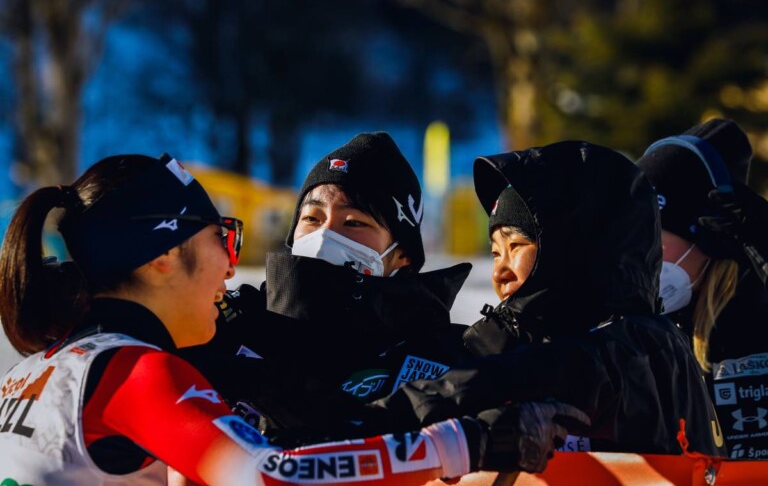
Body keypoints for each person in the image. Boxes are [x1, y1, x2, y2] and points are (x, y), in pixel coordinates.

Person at [0, 152, 587, 484]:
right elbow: (271, 475)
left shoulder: (37, 370)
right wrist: (466, 442)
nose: (232, 270)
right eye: (221, 241)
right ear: (160, 259)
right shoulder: (138, 372)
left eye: (355, 221)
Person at [374, 140, 726, 456]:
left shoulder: (641, 344)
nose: (500, 271)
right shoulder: (540, 341)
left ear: (573, 249)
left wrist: (384, 419)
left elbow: (549, 373)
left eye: (517, 246)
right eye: (496, 253)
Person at [180, 132, 476, 440]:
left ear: (402, 256)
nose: (325, 234)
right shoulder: (223, 325)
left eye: (353, 223)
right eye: (312, 218)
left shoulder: (441, 361)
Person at [636, 118, 768, 459]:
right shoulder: (638, 332)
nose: (641, 257)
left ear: (710, 238)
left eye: (655, 238)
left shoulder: (757, 316)